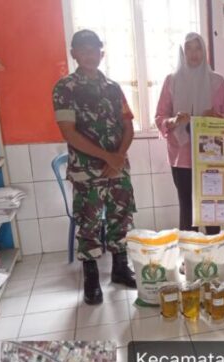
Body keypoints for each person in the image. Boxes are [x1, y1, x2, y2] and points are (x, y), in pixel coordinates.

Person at [52, 29, 137, 305]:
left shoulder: (113, 87)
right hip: (87, 170)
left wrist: (118, 157)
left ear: (102, 52)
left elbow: (128, 126)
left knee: (121, 216)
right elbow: (69, 132)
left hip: (117, 167)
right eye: (84, 50)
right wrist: (108, 157)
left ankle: (120, 268)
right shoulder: (65, 88)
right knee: (88, 223)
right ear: (74, 53)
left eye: (94, 49)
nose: (90, 55)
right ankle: (91, 278)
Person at [155, 33, 224, 234]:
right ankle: (189, 251)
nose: (193, 54)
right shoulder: (171, 81)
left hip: (211, 155)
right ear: (182, 52)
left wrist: (216, 116)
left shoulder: (217, 81)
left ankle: (214, 249)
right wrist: (174, 121)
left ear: (204, 51)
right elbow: (160, 117)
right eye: (188, 49)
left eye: (198, 48)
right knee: (187, 208)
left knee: (211, 208)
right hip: (181, 156)